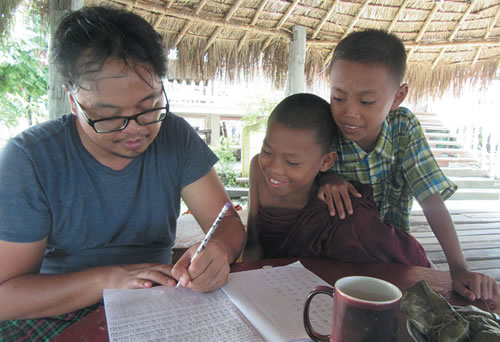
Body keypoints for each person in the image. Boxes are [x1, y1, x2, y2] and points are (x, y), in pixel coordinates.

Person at [0, 4, 245, 334]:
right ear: (73, 101)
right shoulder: (30, 159)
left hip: (154, 303)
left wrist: (220, 249)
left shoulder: (175, 136)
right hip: (56, 308)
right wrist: (109, 280)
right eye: (110, 116)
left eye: (149, 108)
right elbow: (6, 296)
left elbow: (227, 222)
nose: (134, 130)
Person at [318, 29, 499, 301]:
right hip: (335, 256)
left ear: (398, 98)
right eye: (338, 97)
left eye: (366, 101)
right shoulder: (323, 126)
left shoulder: (403, 128)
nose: (349, 112)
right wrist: (324, 177)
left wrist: (458, 267)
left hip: (394, 254)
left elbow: (430, 197)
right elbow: (295, 172)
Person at [244, 92, 430, 268]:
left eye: (292, 162)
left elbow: (395, 254)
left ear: (326, 161)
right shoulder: (258, 169)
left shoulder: (339, 209)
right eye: (267, 151)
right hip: (265, 279)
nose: (274, 168)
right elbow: (253, 241)